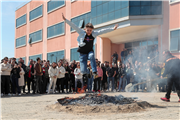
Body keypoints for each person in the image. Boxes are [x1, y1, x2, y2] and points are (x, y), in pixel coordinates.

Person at [62, 13, 118, 81]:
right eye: (88, 30)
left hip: (89, 51)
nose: (89, 32)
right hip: (82, 54)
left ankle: (94, 72)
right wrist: (65, 20)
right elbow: (74, 26)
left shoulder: (94, 34)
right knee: (83, 71)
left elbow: (103, 31)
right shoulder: (81, 32)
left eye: (90, 30)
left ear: (92, 30)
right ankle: (86, 74)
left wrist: (113, 28)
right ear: (85, 29)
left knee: (91, 56)